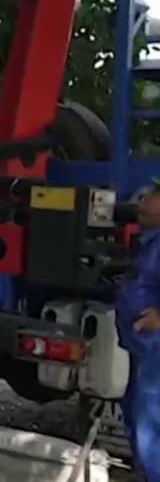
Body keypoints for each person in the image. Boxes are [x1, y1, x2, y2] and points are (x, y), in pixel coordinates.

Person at [115, 185, 160, 482]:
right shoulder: (150, 242)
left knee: (150, 422)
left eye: (153, 194)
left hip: (156, 352)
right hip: (141, 348)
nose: (142, 200)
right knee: (134, 415)